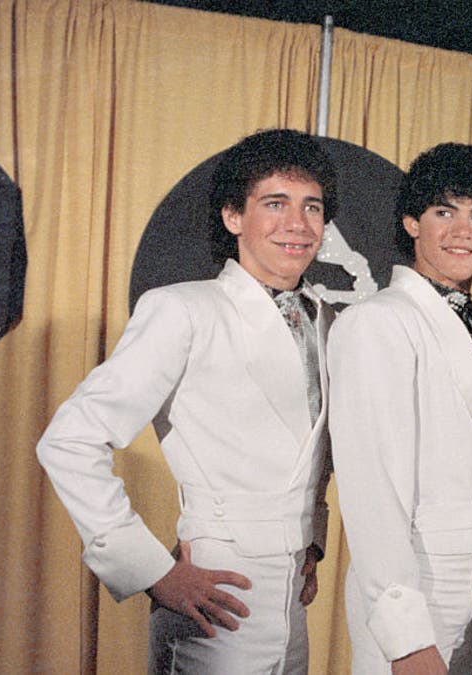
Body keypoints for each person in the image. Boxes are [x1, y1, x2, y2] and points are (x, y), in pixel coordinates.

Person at [36, 128, 337, 673]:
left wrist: (311, 542)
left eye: (311, 207)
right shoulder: (183, 310)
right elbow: (69, 439)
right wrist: (151, 571)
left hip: (293, 596)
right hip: (215, 593)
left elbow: (314, 453)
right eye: (275, 204)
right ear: (233, 217)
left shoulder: (327, 320)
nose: (297, 224)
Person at [328, 142, 472, 674]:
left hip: (465, 593)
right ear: (412, 221)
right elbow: (371, 492)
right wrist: (406, 637)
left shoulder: (470, 321)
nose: (463, 231)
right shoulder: (376, 322)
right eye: (444, 212)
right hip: (407, 598)